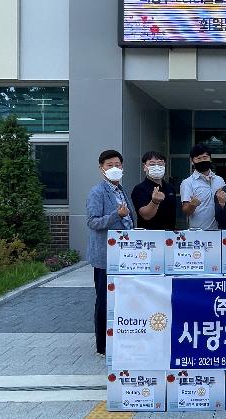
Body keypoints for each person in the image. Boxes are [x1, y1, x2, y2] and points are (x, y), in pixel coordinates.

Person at [86, 149, 136, 355]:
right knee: (104, 300)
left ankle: (119, 339)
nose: (114, 168)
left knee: (121, 299)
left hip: (124, 255)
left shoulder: (121, 190)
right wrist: (117, 215)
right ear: (101, 169)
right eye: (110, 165)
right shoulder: (97, 192)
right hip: (105, 256)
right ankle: (103, 345)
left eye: (118, 165)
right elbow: (93, 221)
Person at [180, 144, 225, 230]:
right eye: (198, 158)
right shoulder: (187, 183)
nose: (202, 160)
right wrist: (192, 205)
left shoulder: (220, 180)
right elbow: (186, 211)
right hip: (198, 232)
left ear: (210, 158)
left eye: (205, 157)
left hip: (219, 231)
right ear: (192, 161)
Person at [130, 151, 176, 230]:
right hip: (148, 234)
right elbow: (145, 215)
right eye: (152, 164)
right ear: (145, 167)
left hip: (170, 234)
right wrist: (154, 201)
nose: (157, 167)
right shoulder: (140, 189)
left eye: (160, 164)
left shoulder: (170, 188)